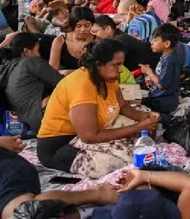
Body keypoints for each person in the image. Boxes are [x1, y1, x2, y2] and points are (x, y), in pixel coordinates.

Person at [36, 40, 160, 172]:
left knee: (143, 111)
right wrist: (138, 127)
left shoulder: (108, 78)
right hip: (61, 145)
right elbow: (89, 136)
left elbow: (123, 106)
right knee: (117, 162)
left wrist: (144, 117)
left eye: (121, 64)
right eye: (116, 65)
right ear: (99, 65)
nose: (120, 70)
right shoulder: (82, 85)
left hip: (92, 130)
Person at [0, 33, 63, 133]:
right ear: (26, 51)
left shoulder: (10, 68)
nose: (39, 55)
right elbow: (62, 82)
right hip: (45, 117)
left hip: (34, 124)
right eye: (37, 50)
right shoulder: (30, 62)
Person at [141, 24, 184, 118]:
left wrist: (149, 72)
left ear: (167, 44)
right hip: (165, 97)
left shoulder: (170, 60)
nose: (151, 42)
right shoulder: (168, 57)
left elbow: (161, 85)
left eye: (155, 40)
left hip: (164, 100)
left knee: (140, 109)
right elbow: (180, 75)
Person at [49, 6, 96, 72]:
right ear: (73, 25)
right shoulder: (59, 41)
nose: (83, 29)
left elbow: (101, 70)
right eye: (78, 26)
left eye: (87, 25)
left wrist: (69, 73)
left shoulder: (98, 41)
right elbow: (52, 71)